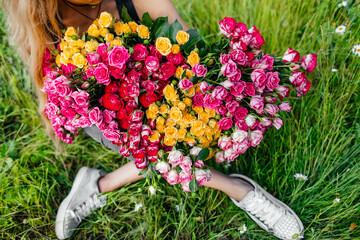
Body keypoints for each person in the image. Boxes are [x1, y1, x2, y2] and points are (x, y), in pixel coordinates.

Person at [1, 0, 304, 239]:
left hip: (166, 88)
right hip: (108, 114)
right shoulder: (43, 21)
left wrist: (173, 100)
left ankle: (100, 184)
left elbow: (191, 54)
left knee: (199, 119)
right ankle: (239, 190)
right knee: (159, 142)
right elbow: (65, 97)